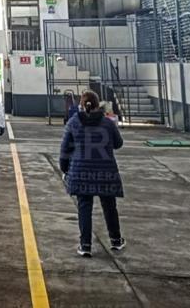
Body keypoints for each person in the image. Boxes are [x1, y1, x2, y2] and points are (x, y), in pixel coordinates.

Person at [59, 90, 125, 257]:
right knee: (109, 206)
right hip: (105, 172)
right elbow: (118, 143)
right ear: (98, 105)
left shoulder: (74, 122)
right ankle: (116, 240)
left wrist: (64, 169)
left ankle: (85, 245)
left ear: (82, 105)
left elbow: (65, 149)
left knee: (84, 207)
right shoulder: (107, 123)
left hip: (81, 172)